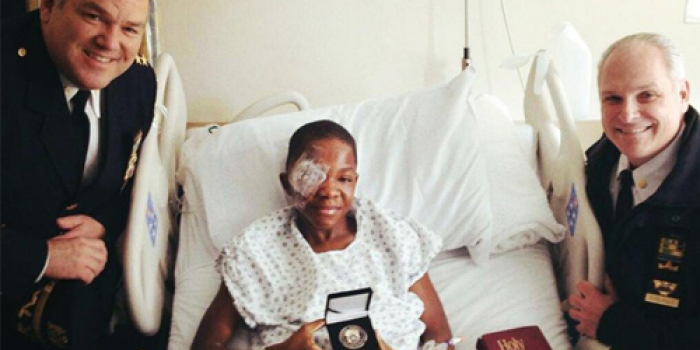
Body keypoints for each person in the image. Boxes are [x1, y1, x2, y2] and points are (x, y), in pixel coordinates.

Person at [192, 120, 454, 350]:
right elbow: (206, 345)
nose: (329, 191)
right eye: (312, 176)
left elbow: (441, 338)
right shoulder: (255, 251)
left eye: (344, 179)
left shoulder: (392, 236)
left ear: (355, 182)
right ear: (287, 183)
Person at [1, 0, 156, 349]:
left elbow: (125, 183)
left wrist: (103, 221)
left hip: (85, 302)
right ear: (48, 7)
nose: (111, 42)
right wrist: (40, 257)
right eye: (93, 16)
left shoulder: (138, 83)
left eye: (130, 29)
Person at [568, 33, 699, 350]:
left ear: (682, 94)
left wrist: (613, 323)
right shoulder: (602, 161)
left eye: (647, 96)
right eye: (612, 98)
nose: (627, 115)